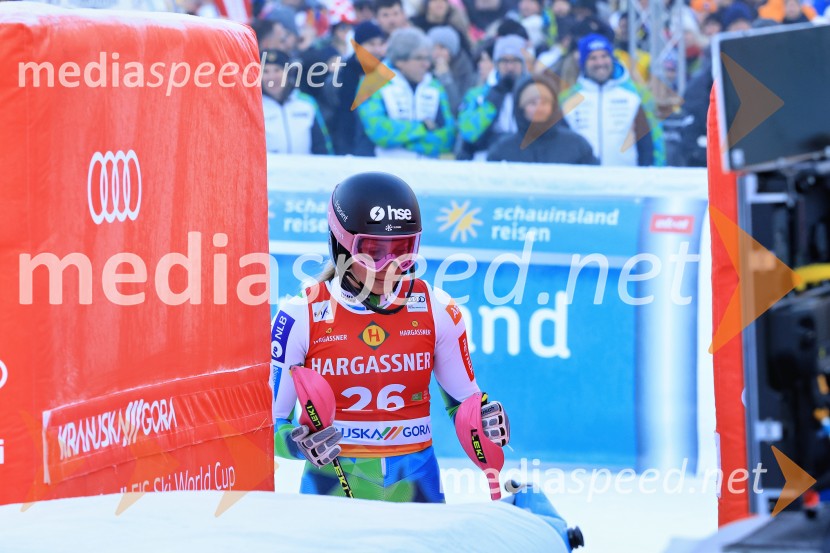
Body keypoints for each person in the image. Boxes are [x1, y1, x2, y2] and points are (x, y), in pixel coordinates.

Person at [270, 172, 511, 502]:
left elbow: (463, 403)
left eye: (403, 249)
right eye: (372, 251)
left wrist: (484, 420)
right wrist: (297, 444)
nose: (389, 265)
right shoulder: (300, 314)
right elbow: (269, 423)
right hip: (333, 488)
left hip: (415, 485)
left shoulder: (437, 308)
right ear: (340, 244)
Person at [560, 33, 665, 166]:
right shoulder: (567, 99)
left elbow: (646, 146)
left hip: (624, 180)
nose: (600, 63)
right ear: (583, 63)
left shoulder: (632, 97)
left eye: (604, 56)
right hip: (582, 180)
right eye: (593, 58)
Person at [356, 28, 456, 158]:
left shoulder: (435, 86)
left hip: (429, 171)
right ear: (400, 61)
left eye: (427, 58)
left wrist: (405, 143)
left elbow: (448, 136)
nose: (426, 64)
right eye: (419, 58)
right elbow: (379, 132)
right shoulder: (371, 84)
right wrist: (423, 127)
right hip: (384, 169)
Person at [487, 74, 598, 164]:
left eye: (545, 102)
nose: (539, 108)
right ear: (520, 108)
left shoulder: (577, 146)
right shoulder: (502, 150)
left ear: (553, 107)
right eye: (532, 103)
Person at [457, 34, 528, 160]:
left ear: (523, 64)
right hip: (486, 159)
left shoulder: (534, 96)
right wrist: (495, 97)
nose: (510, 67)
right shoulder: (477, 95)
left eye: (515, 61)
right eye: (504, 61)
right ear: (496, 64)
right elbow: (468, 132)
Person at [261, 49, 334, 155]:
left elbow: (322, 144)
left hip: (304, 170)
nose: (272, 77)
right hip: (270, 170)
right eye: (265, 71)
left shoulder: (306, 103)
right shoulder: (254, 107)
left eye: (277, 70)